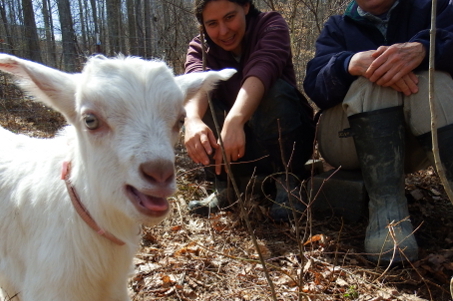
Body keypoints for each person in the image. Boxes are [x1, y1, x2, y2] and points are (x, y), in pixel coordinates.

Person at [304, 0, 453, 264]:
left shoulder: (433, 8)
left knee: (435, 81)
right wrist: (350, 63)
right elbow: (315, 85)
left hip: (418, 143)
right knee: (374, 84)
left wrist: (424, 49)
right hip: (349, 143)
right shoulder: (337, 27)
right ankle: (388, 213)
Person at [183, 0, 315, 220]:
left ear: (245, 6)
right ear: (203, 25)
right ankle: (223, 187)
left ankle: (289, 184)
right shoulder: (200, 48)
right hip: (234, 152)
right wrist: (193, 120)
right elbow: (196, 83)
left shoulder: (270, 24)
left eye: (229, 17)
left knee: (273, 90)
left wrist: (235, 120)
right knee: (200, 107)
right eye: (212, 23)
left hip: (285, 141)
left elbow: (263, 67)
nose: (224, 31)